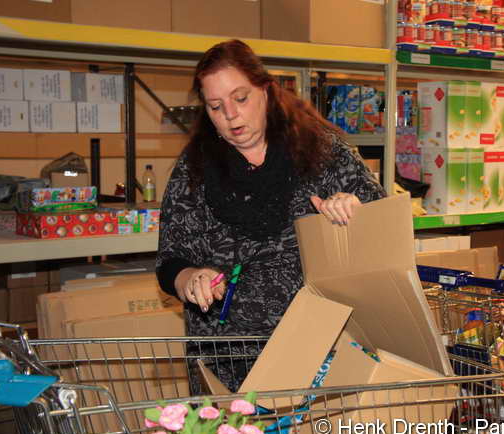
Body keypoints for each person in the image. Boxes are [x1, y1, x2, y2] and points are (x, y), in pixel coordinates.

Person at [155, 39, 386, 392]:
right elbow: (170, 259)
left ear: (266, 89)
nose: (230, 114)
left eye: (240, 98)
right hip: (227, 363)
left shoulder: (322, 151)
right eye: (216, 106)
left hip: (320, 353)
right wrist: (189, 279)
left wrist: (352, 208)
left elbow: (383, 224)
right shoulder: (195, 169)